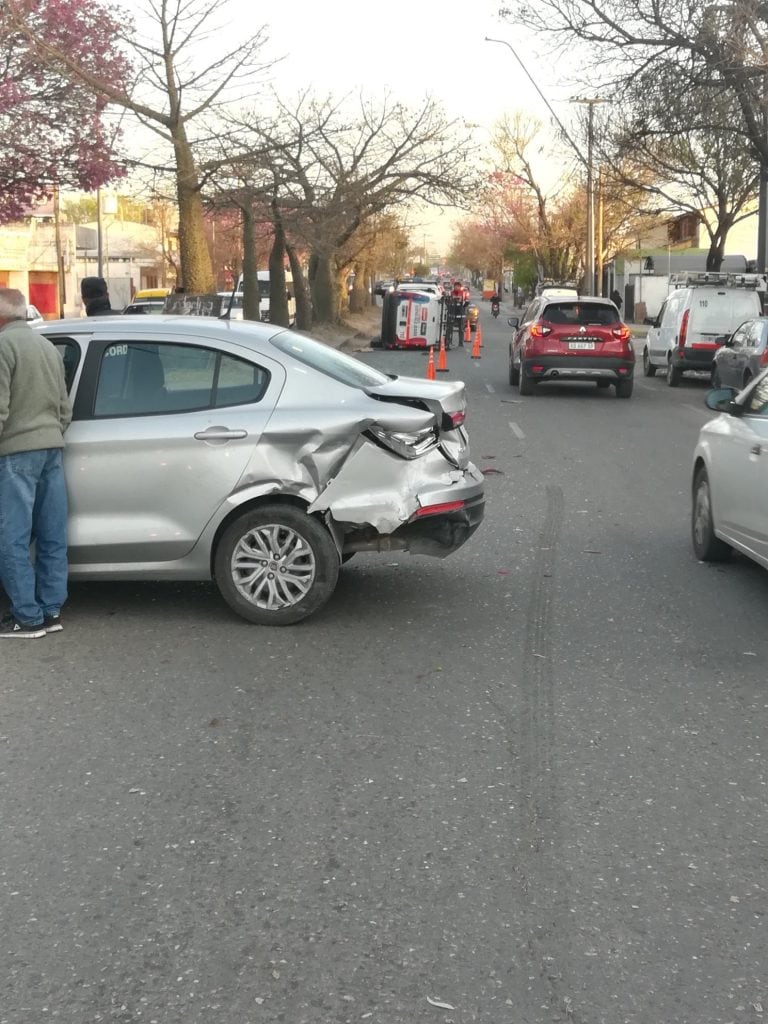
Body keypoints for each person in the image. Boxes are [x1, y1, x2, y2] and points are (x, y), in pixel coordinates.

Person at [0, 289, 72, 638]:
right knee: (52, 534)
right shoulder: (47, 347)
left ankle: (27, 618)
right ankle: (51, 609)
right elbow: (64, 408)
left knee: (11, 538)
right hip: (51, 451)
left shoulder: (2, 347)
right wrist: (52, 435)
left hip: (15, 454)